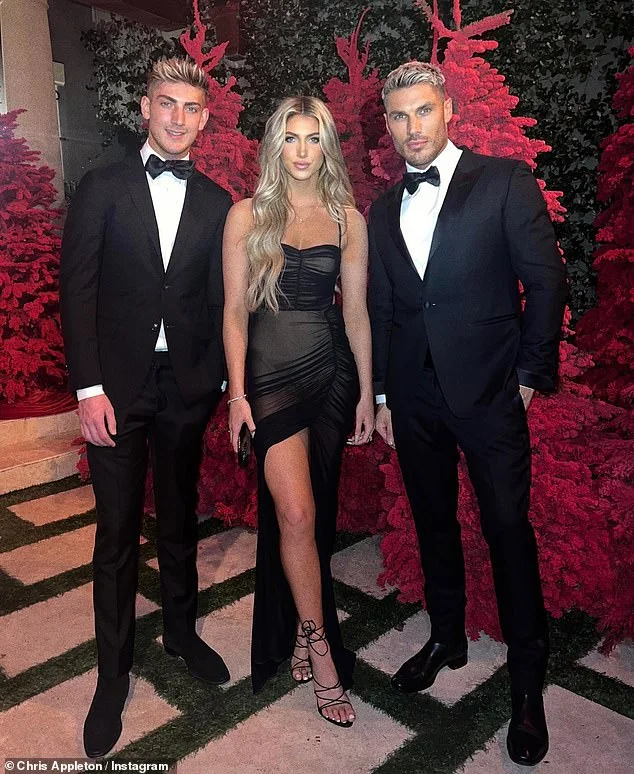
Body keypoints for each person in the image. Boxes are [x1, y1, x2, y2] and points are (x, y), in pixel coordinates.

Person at [368, 62, 567, 765]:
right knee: (433, 523)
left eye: (423, 110)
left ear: (448, 109)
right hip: (414, 398)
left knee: (508, 530)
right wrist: (384, 395)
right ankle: (446, 638)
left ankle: (527, 683)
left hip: (489, 394)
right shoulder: (382, 209)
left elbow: (545, 280)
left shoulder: (504, 182)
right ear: (387, 124)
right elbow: (385, 307)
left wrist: (530, 376)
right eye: (399, 116)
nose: (412, 127)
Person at [60, 57, 232, 759]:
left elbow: (222, 301)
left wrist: (218, 382)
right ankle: (113, 676)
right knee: (116, 534)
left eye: (191, 107)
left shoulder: (219, 202)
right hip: (116, 389)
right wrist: (88, 389)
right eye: (167, 103)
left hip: (186, 387)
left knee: (182, 520)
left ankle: (182, 634)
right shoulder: (102, 186)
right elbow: (77, 291)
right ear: (145, 107)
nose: (178, 118)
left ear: (205, 118)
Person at [223, 96, 373, 727]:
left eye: (314, 138)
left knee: (316, 518)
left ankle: (300, 625)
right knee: (296, 512)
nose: (303, 150)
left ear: (327, 146)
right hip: (270, 381)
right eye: (292, 138)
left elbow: (356, 313)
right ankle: (319, 645)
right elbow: (234, 311)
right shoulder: (247, 214)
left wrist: (366, 393)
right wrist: (237, 395)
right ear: (275, 146)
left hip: (331, 374)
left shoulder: (348, 218)